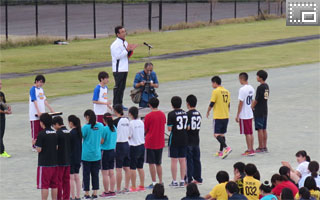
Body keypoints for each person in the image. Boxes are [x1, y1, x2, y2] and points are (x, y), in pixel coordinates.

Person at [110, 26, 138, 110]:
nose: (124, 33)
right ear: (117, 34)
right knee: (118, 88)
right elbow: (117, 56)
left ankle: (120, 104)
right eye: (122, 32)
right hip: (118, 69)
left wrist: (130, 50)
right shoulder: (115, 44)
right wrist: (126, 50)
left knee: (122, 87)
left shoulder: (125, 42)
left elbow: (126, 55)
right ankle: (115, 105)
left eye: (124, 31)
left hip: (125, 68)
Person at [206, 76, 232, 159]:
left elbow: (212, 103)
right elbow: (228, 104)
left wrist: (208, 111)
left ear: (215, 83)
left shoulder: (216, 91)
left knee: (216, 134)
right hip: (226, 116)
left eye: (212, 83)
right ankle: (221, 152)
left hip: (218, 116)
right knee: (222, 134)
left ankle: (226, 148)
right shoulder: (227, 91)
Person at [35, 113, 58, 200]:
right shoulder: (55, 133)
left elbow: (39, 149)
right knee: (54, 185)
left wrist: (35, 143)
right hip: (54, 162)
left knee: (44, 186)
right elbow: (56, 147)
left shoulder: (41, 134)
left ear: (42, 123)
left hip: (44, 163)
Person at [144, 97, 166, 189]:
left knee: (151, 163)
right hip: (160, 141)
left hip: (151, 141)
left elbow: (146, 129)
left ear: (150, 105)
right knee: (158, 163)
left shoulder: (148, 116)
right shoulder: (162, 114)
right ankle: (160, 181)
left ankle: (154, 182)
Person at [81, 110, 103, 199]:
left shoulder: (86, 127)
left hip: (86, 154)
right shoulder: (100, 126)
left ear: (87, 117)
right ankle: (95, 192)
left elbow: (82, 137)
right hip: (97, 154)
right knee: (95, 174)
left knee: (86, 174)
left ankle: (86, 193)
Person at [30, 75, 54, 151]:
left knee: (42, 129)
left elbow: (44, 100)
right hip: (34, 114)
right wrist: (38, 111)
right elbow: (34, 101)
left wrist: (50, 108)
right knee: (35, 130)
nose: (41, 84)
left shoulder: (41, 90)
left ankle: (41, 144)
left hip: (42, 114)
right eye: (40, 82)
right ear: (36, 81)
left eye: (42, 83)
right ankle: (34, 146)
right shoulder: (32, 89)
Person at [168, 96, 188, 187]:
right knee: (183, 159)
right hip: (184, 138)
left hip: (174, 138)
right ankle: (182, 180)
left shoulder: (171, 114)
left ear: (172, 105)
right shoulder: (185, 113)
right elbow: (188, 127)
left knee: (174, 160)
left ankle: (174, 180)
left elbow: (169, 128)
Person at [235, 72, 255, 156]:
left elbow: (241, 102)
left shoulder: (242, 89)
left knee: (247, 133)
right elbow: (253, 101)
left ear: (241, 79)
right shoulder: (251, 88)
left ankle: (249, 149)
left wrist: (237, 114)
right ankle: (251, 148)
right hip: (249, 112)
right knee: (250, 132)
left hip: (244, 114)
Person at [185, 94, 203, 184]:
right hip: (196, 138)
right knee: (197, 160)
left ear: (188, 104)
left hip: (189, 140)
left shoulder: (187, 114)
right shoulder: (198, 114)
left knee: (189, 160)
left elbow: (187, 127)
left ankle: (189, 178)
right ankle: (198, 178)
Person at [52, 116, 71, 200]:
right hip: (68, 160)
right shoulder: (69, 132)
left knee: (58, 181)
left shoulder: (58, 134)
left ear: (56, 124)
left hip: (60, 160)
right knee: (66, 181)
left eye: (53, 126)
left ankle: (59, 197)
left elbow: (55, 147)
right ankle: (66, 197)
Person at [113, 104, 131, 193]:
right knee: (127, 167)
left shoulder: (115, 121)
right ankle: (127, 187)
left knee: (119, 168)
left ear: (115, 111)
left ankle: (118, 188)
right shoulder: (127, 120)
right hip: (126, 144)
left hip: (119, 144)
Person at [251, 70, 269, 153]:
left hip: (259, 110)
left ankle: (261, 146)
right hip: (265, 109)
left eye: (257, 76)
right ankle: (264, 146)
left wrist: (251, 107)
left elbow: (257, 100)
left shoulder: (260, 87)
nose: (256, 77)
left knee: (260, 129)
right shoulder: (266, 86)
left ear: (260, 78)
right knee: (264, 128)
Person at [128, 106, 146, 192]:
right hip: (142, 145)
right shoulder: (141, 122)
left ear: (130, 114)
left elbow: (129, 135)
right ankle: (142, 185)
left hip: (134, 146)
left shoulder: (131, 123)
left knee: (133, 167)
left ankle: (133, 186)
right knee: (140, 167)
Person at [99, 113, 117, 198]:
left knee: (105, 173)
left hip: (105, 151)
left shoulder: (105, 129)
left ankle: (106, 191)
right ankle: (112, 190)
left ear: (104, 120)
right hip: (112, 150)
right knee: (111, 172)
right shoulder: (114, 128)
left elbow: (102, 141)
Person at [68, 115, 82, 200]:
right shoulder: (79, 132)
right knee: (77, 176)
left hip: (71, 157)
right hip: (78, 156)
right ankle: (78, 196)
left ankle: (72, 196)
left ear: (71, 123)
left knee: (71, 178)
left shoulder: (71, 133)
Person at [0, 80, 12, 158]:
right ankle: (1, 151)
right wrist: (5, 112)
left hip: (2, 118)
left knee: (1, 134)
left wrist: (8, 107)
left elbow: (3, 104)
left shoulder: (1, 94)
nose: (0, 85)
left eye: (0, 83)